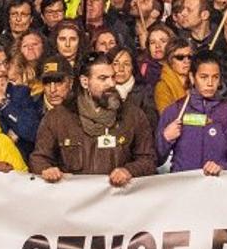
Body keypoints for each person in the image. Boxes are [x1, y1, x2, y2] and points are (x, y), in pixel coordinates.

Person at [31, 53, 157, 186]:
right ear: (85, 82)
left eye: (112, 77)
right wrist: (47, 169)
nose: (111, 83)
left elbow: (148, 159)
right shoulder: (57, 118)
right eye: (103, 78)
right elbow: (38, 158)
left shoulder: (133, 116)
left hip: (118, 199)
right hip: (75, 201)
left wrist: (129, 171)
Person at [155, 51, 227, 175]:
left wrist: (222, 167)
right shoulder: (175, 111)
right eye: (203, 77)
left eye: (215, 77)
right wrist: (165, 138)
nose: (210, 83)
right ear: (192, 77)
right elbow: (156, 160)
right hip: (183, 187)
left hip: (218, 186)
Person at [153, 37, 193, 112]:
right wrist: (202, 119)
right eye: (180, 57)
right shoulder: (162, 87)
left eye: (189, 57)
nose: (186, 61)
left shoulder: (197, 81)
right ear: (170, 60)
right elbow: (168, 117)